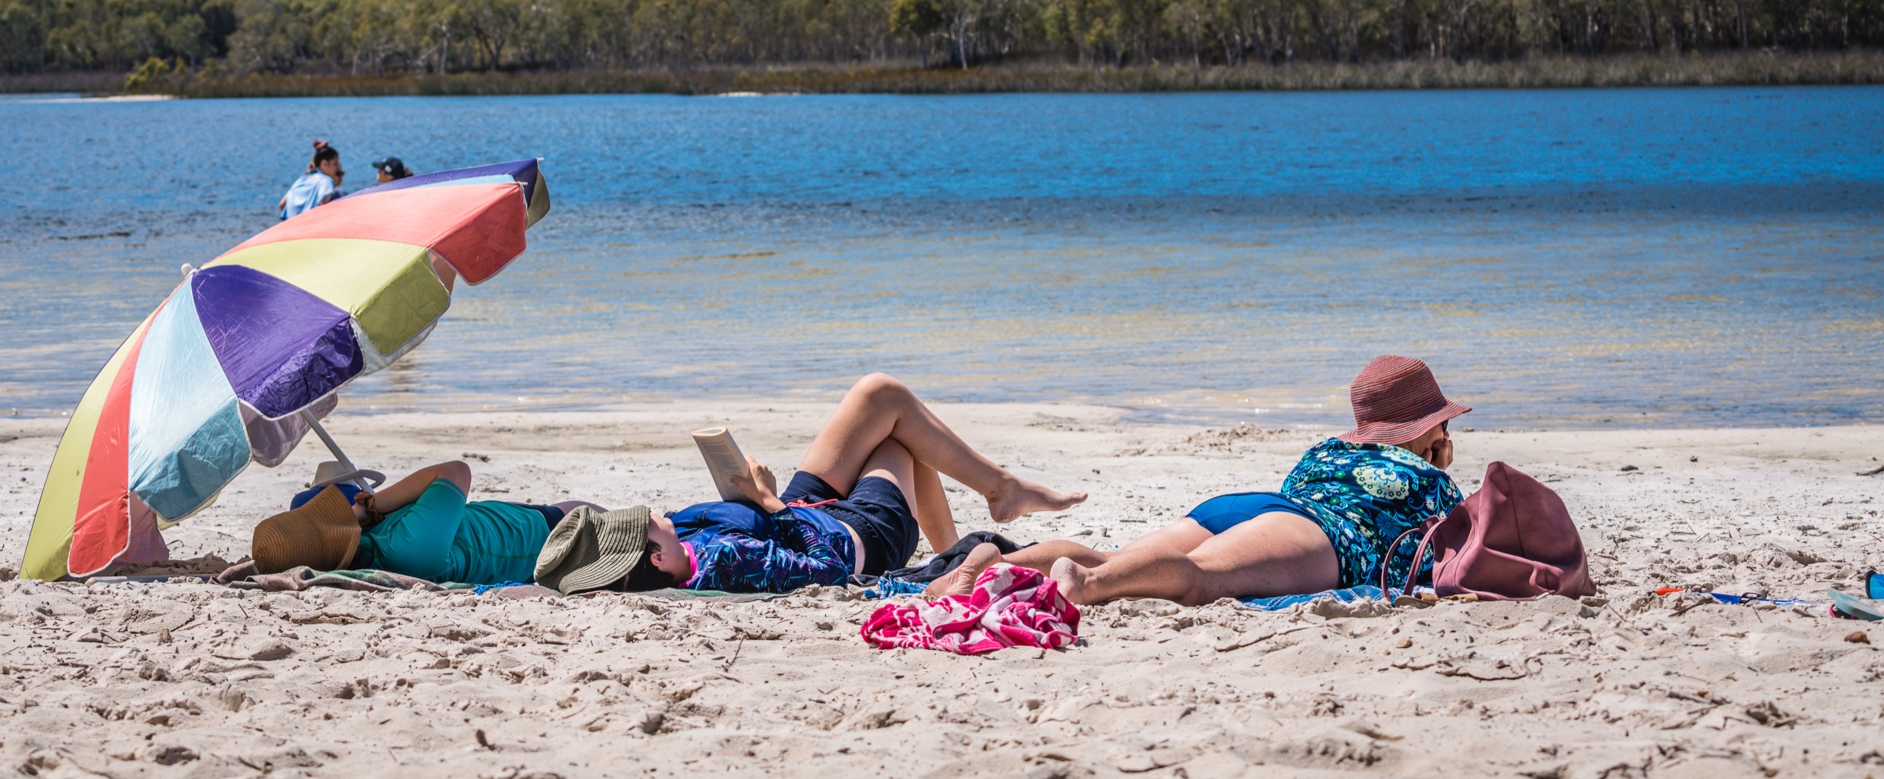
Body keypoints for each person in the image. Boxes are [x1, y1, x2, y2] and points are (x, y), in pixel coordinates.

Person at [927, 355, 1468, 607]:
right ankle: (1086, 589)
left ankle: (992, 565)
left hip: (1249, 506)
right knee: (1202, 578)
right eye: (1443, 421)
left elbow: (1297, 495)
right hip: (1319, 534)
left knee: (1112, 555)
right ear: (1428, 429)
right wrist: (1437, 465)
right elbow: (1450, 549)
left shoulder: (1325, 451)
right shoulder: (1429, 479)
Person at [529, 373, 1087, 596]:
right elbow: (826, 570)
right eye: (648, 524)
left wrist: (755, 500)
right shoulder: (725, 561)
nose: (657, 515)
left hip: (803, 508)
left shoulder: (683, 551)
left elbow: (761, 532)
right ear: (654, 560)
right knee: (896, 427)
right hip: (861, 532)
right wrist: (770, 505)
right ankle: (996, 498)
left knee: (875, 397)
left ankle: (983, 510)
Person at [250, 459, 600, 586]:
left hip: (515, 525)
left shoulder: (380, 542)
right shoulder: (407, 548)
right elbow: (456, 471)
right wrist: (368, 507)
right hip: (549, 534)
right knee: (642, 525)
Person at [277, 140, 344, 219]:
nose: (338, 168)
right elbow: (323, 205)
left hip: (290, 225)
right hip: (308, 225)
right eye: (335, 164)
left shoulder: (303, 178)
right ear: (324, 163)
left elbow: (282, 204)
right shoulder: (326, 181)